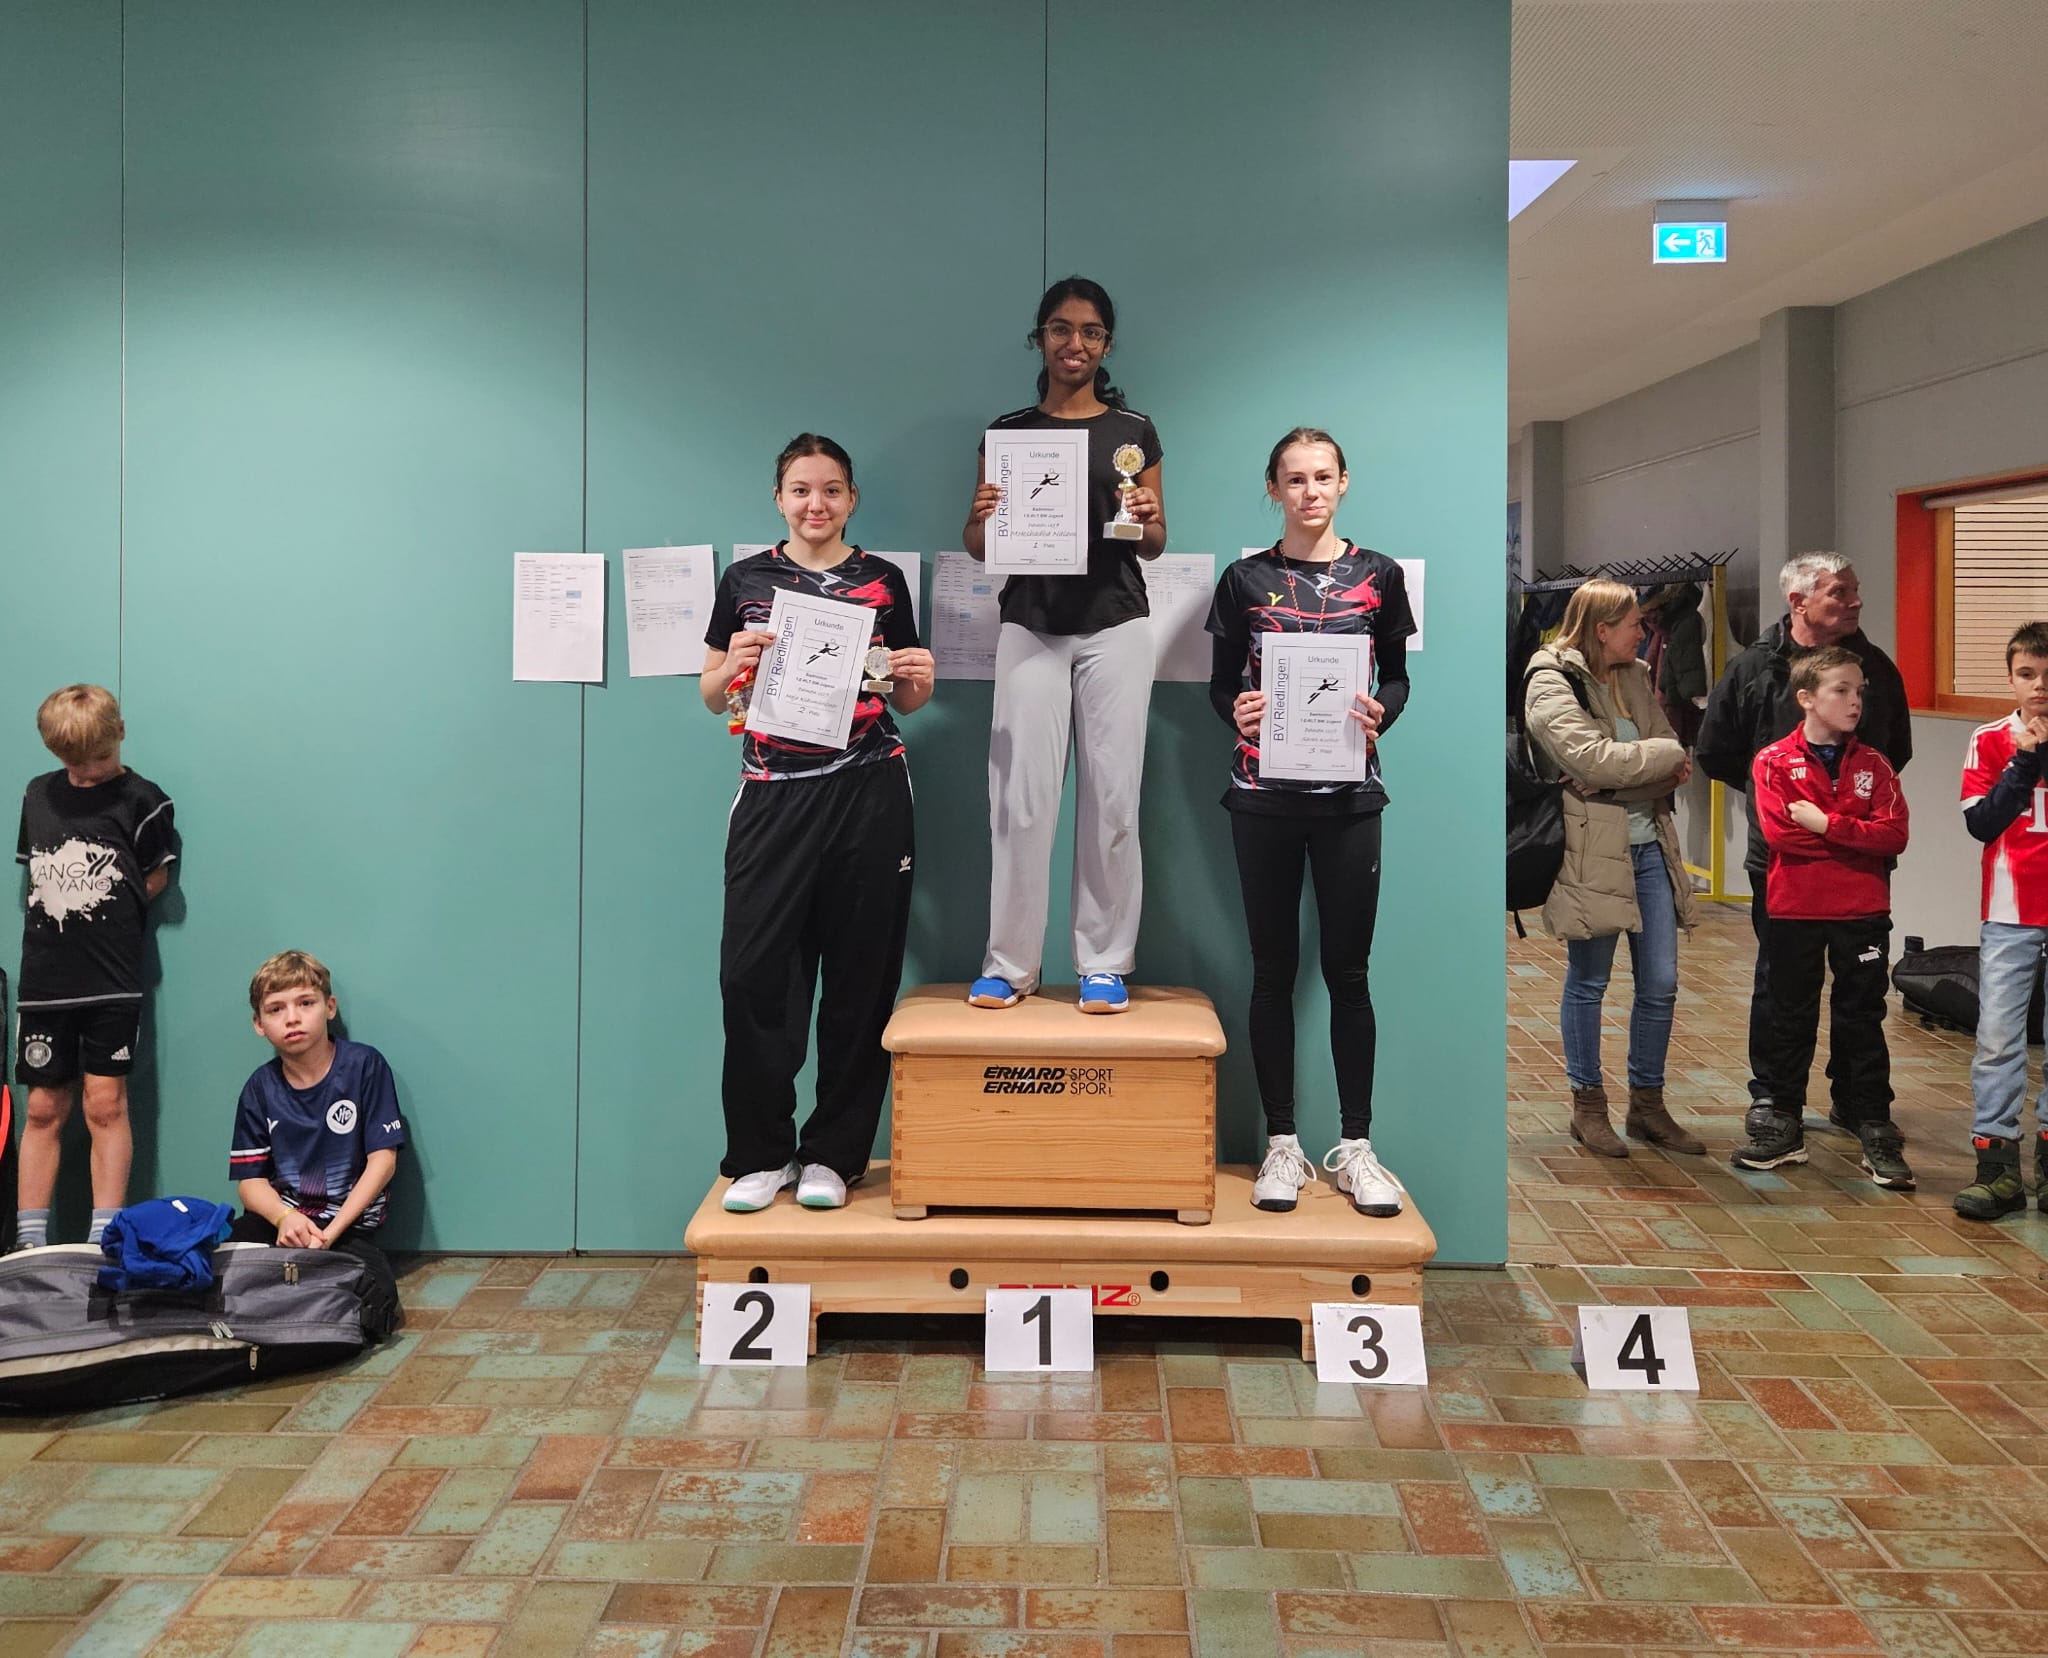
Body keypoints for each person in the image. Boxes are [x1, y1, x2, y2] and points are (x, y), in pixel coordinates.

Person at [701, 435, 935, 1212]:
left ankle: (836, 1154)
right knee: (753, 976)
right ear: (779, 498)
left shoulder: (882, 581)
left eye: (831, 490)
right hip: (772, 795)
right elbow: (710, 694)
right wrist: (731, 664)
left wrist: (918, 679)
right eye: (801, 490)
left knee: (861, 978)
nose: (816, 504)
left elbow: (907, 697)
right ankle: (762, 1154)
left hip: (869, 791)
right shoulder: (745, 580)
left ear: (852, 499)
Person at [1207, 429, 1414, 1215]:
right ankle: (1282, 1146)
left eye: (1323, 477)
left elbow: (1396, 675)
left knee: (1348, 972)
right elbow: (1223, 684)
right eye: (1294, 479)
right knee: (1271, 972)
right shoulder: (1244, 579)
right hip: (1260, 797)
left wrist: (1379, 715)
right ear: (1274, 490)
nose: (1310, 491)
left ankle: (1356, 1146)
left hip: (1349, 800)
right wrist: (1240, 710)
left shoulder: (1379, 576)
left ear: (1344, 483)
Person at [962, 276, 1165, 1015]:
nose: (1073, 343)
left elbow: (1154, 542)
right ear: (1039, 338)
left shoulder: (1133, 431)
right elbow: (983, 546)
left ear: (1106, 343)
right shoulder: (1008, 432)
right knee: (1018, 800)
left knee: (1112, 797)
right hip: (1031, 625)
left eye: (1089, 331)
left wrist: (1141, 513)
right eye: (1059, 329)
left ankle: (1103, 961)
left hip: (1116, 625)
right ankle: (1010, 963)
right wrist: (983, 514)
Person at [1697, 553, 1912, 1126]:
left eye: (1854, 591)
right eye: (1839, 593)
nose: (1855, 602)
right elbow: (1716, 751)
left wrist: (1843, 818)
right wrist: (1779, 802)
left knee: (1859, 994)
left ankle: (1859, 1103)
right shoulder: (1752, 669)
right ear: (1799, 602)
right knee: (1782, 986)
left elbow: (1895, 754)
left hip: (1859, 868)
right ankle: (1774, 1100)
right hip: (1778, 862)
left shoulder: (1878, 670)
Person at [1524, 580, 1706, 1159]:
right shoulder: (1549, 679)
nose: (1643, 631)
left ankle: (1648, 1106)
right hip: (1589, 850)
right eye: (1633, 624)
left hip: (1649, 845)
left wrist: (1626, 774)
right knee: (1590, 982)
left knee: (1661, 983)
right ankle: (1588, 1106)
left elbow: (1670, 752)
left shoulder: (1631, 675)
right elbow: (1587, 759)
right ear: (1603, 629)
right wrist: (1636, 767)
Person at [1732, 648, 1912, 1186]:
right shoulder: (1771, 761)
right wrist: (1854, 836)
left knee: (1862, 1014)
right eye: (1841, 690)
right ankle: (1781, 1116)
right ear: (1806, 698)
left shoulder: (1875, 764)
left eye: (1860, 691)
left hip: (1862, 910)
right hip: (1794, 908)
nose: (1855, 701)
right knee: (1789, 1011)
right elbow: (1782, 833)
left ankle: (1869, 1116)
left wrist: (1826, 825)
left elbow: (1895, 835)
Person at [12, 685, 177, 1250]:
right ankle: (30, 1241)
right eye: (72, 764)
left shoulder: (144, 800)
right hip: (45, 983)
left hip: (111, 981)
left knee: (104, 1104)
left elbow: (154, 878)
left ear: (121, 734)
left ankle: (104, 1238)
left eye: (97, 761)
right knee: (42, 1106)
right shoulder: (38, 795)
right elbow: (35, 870)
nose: (84, 775)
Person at [228, 951, 404, 1328]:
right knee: (219, 1265)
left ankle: (303, 1310)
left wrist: (329, 1234)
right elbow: (251, 1183)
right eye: (275, 1010)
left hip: (346, 1228)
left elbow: (383, 1161)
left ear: (329, 1007)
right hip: (283, 1223)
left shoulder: (364, 1066)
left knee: (379, 1305)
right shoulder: (259, 1089)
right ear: (259, 1024)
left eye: (305, 1003)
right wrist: (285, 1218)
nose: (292, 1017)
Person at [1952, 622, 2048, 1221]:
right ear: (2010, 678)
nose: (2039, 686)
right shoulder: (1989, 740)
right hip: (2011, 911)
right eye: (2027, 674)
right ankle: (1997, 1168)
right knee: (1998, 1039)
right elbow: (1982, 823)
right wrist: (2027, 758)